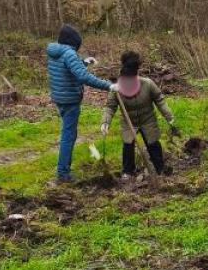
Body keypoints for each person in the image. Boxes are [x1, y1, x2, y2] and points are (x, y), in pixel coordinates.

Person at [46, 24, 118, 184]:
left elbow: (68, 69)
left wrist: (84, 62)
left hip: (60, 98)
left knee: (68, 133)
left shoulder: (55, 51)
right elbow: (83, 77)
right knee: (68, 135)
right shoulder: (69, 53)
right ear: (73, 42)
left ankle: (63, 169)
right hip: (70, 99)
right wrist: (109, 85)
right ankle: (63, 173)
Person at [101, 51, 177, 179]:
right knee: (128, 145)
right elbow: (110, 106)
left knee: (153, 144)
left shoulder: (147, 84)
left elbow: (159, 100)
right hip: (128, 120)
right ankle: (128, 172)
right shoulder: (117, 89)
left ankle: (160, 169)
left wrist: (169, 117)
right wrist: (105, 122)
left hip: (148, 119)